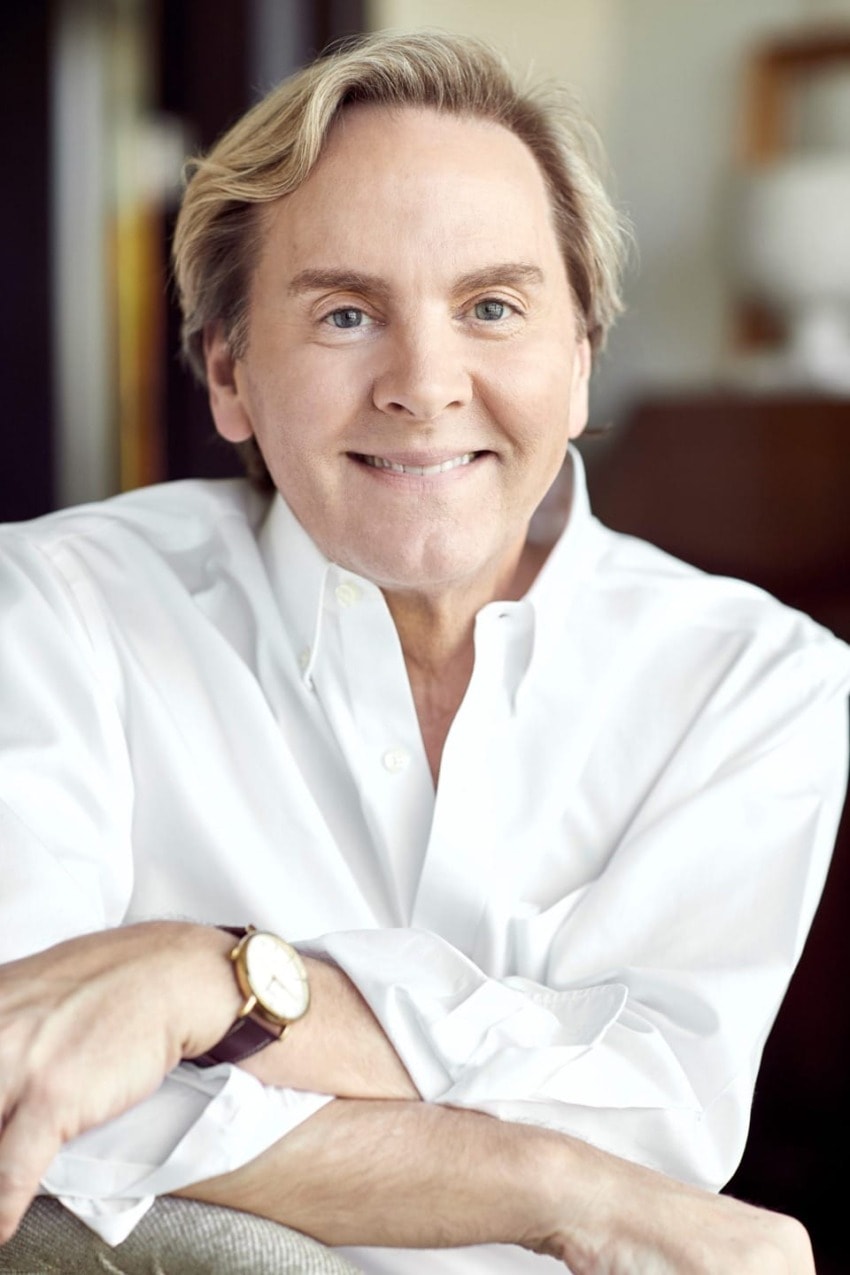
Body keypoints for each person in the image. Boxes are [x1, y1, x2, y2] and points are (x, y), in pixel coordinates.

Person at [0, 28, 847, 1275]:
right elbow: (31, 1086)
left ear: (577, 362)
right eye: (347, 313)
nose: (424, 382)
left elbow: (658, 1104)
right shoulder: (55, 608)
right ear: (230, 372)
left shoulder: (758, 680)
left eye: (491, 307)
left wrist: (211, 988)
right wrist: (562, 1185)